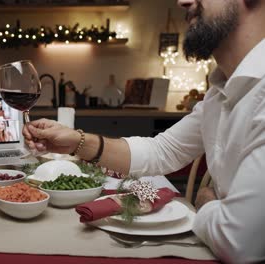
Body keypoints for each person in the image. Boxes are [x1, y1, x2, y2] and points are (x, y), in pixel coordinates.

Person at [23, 0, 265, 263]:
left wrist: (204, 201)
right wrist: (75, 142)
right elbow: (160, 151)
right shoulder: (219, 92)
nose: (182, 1)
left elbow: (239, 242)